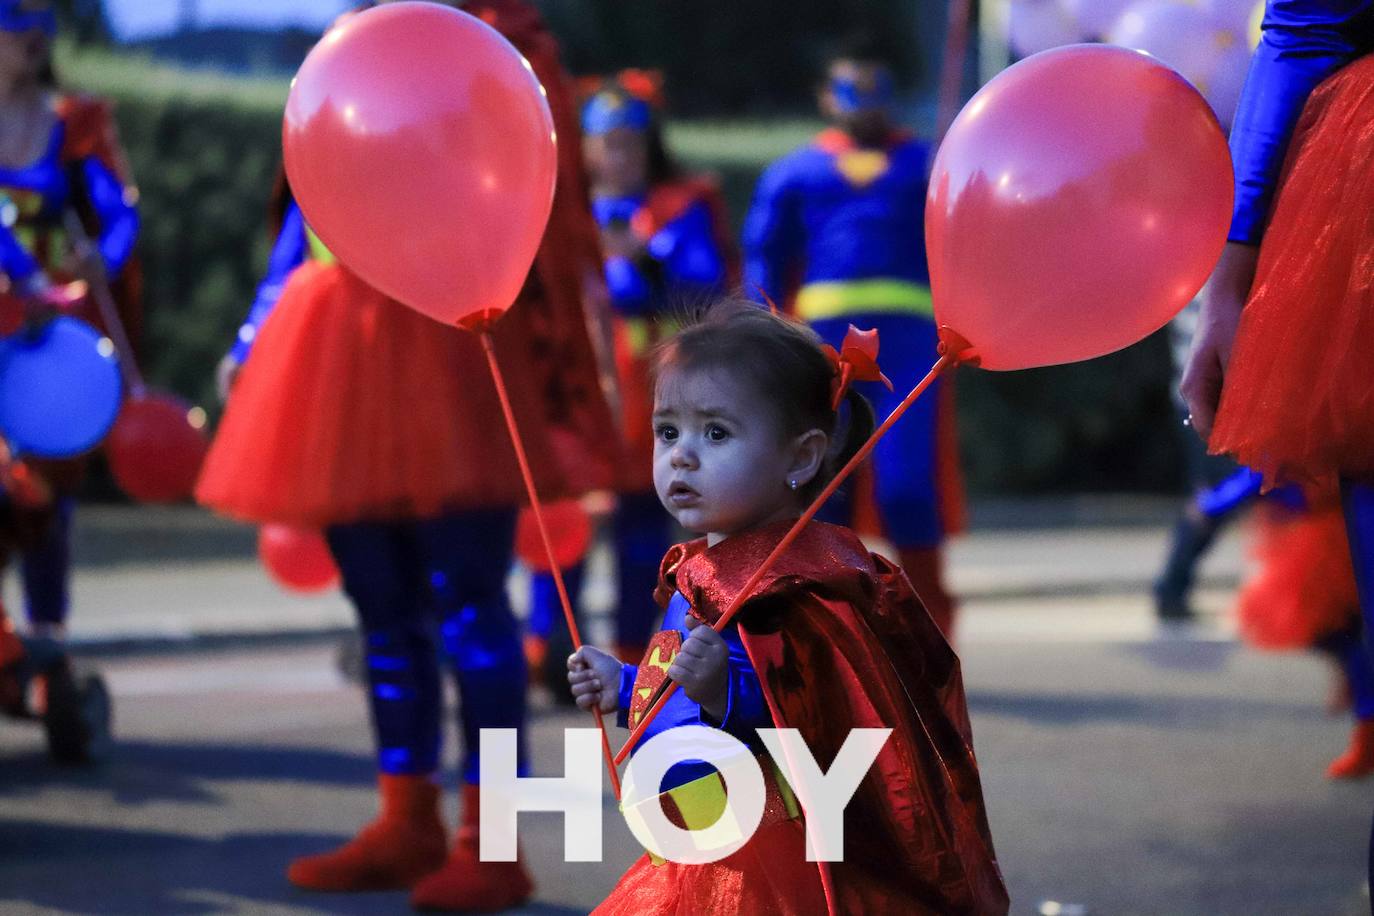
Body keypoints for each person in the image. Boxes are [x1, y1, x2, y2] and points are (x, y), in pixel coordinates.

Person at [196, 1, 617, 910]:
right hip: (337, 355)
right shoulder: (350, 41)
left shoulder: (505, 43)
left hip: (455, 347)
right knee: (381, 608)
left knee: (472, 609)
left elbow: (543, 215)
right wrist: (254, 336)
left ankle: (492, 843)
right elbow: (310, 198)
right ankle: (406, 820)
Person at [569, 302, 1007, 915]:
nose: (681, 456)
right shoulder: (698, 569)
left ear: (800, 459)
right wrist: (622, 683)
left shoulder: (803, 581)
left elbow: (821, 715)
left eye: (716, 434)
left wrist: (728, 692)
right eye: (668, 431)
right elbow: (676, 691)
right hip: (694, 847)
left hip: (768, 858)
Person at [742, 37, 965, 639]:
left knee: (907, 485)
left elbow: (965, 240)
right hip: (822, 346)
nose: (863, 104)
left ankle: (924, 631)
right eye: (849, 90)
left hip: (911, 345)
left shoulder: (928, 162)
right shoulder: (796, 171)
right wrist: (760, 337)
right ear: (825, 97)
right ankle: (828, 627)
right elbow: (762, 259)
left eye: (875, 91)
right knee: (822, 483)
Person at [524, 71, 733, 679]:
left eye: (630, 142)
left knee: (644, 519)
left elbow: (706, 283)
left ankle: (633, 655)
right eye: (605, 141)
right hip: (571, 377)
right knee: (559, 515)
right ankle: (548, 640)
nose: (618, 154)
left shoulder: (679, 206)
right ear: (583, 147)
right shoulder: (557, 208)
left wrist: (646, 262)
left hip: (649, 381)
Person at [0, 0, 141, 643]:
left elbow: (119, 218)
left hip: (41, 334)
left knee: (47, 497)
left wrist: (100, 261)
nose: (30, 34)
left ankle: (46, 640)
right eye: (12, 19)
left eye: (39, 20)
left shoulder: (72, 120)